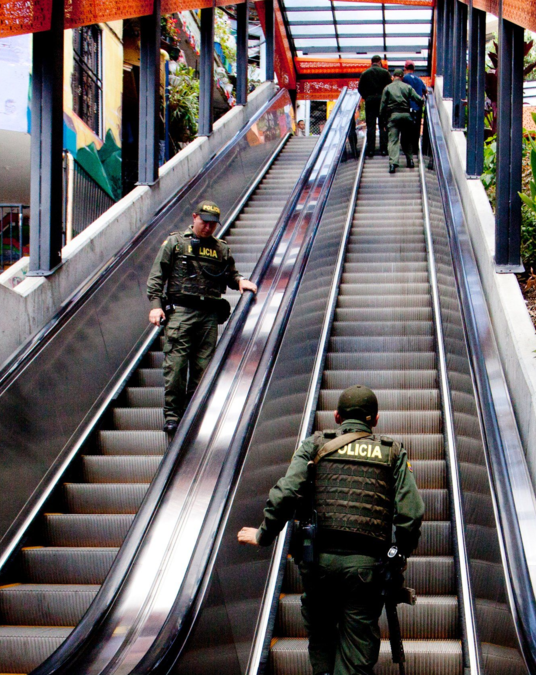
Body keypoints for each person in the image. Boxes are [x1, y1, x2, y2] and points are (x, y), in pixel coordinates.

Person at [237, 385, 424, 675]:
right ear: (375, 419)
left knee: (321, 635)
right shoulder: (392, 452)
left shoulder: (314, 445)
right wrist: (398, 555)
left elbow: (286, 493)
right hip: (366, 568)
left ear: (337, 417)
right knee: (356, 653)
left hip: (317, 563)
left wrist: (265, 533)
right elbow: (411, 514)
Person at [147, 200, 258, 435]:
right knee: (176, 366)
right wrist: (156, 306)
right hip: (181, 313)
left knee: (203, 368)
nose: (208, 228)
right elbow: (157, 276)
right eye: (204, 222)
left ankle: (194, 412)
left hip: (208, 316)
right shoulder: (176, 243)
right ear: (195, 217)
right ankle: (173, 414)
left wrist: (240, 281)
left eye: (212, 224)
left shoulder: (220, 249)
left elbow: (230, 274)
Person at [380, 69, 424, 173]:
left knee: (393, 140)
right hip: (406, 116)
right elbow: (418, 99)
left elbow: (382, 106)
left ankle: (393, 164)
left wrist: (383, 120)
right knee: (407, 139)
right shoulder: (407, 87)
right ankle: (410, 161)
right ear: (402, 77)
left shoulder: (387, 88)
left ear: (393, 77)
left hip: (393, 116)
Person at [356, 55, 393, 158]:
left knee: (371, 126)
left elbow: (360, 88)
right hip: (382, 101)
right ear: (380, 62)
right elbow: (390, 88)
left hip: (370, 101)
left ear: (371, 62)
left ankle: (371, 150)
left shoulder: (365, 73)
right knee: (383, 125)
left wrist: (366, 96)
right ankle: (383, 149)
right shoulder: (385, 73)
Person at [401, 61, 427, 158]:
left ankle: (406, 149)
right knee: (416, 128)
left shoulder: (404, 79)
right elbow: (425, 90)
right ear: (414, 69)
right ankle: (415, 148)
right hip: (418, 107)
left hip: (407, 107)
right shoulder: (419, 80)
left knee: (405, 129)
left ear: (405, 68)